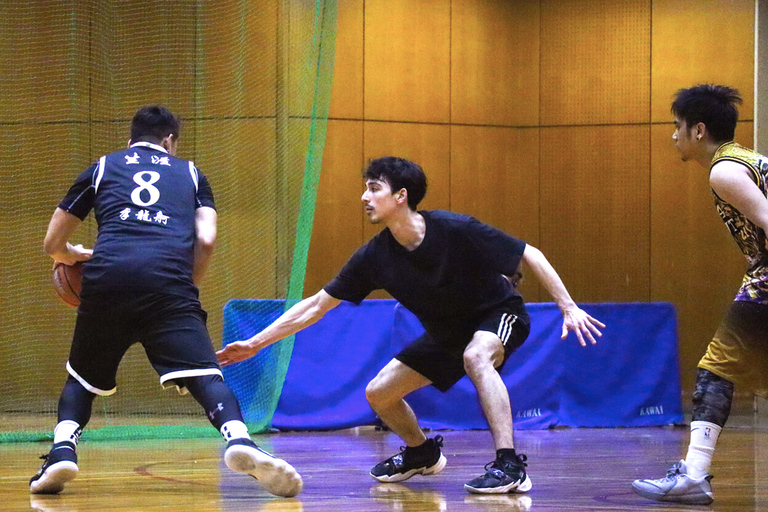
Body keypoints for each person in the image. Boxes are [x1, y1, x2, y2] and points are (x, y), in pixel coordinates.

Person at [217, 156, 604, 494]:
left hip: (498, 314)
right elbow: (316, 306)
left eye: (374, 189)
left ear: (401, 196)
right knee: (379, 393)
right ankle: (421, 452)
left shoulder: (455, 228)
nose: (364, 198)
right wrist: (256, 342)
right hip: (445, 334)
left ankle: (510, 465)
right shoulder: (374, 257)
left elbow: (528, 254)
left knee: (477, 356)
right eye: (365, 189)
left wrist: (567, 307)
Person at [30, 106, 302, 498]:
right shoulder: (192, 175)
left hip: (108, 278)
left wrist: (73, 255)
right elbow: (206, 240)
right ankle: (239, 439)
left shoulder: (103, 167)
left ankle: (61, 451)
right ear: (170, 141)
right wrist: (183, 288)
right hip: (169, 284)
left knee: (82, 378)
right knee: (205, 375)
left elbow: (52, 245)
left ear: (130, 140)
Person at [632, 85, 768, 505]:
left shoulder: (724, 170)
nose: (674, 135)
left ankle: (693, 476)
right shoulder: (748, 159)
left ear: (699, 130)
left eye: (678, 127)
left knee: (716, 369)